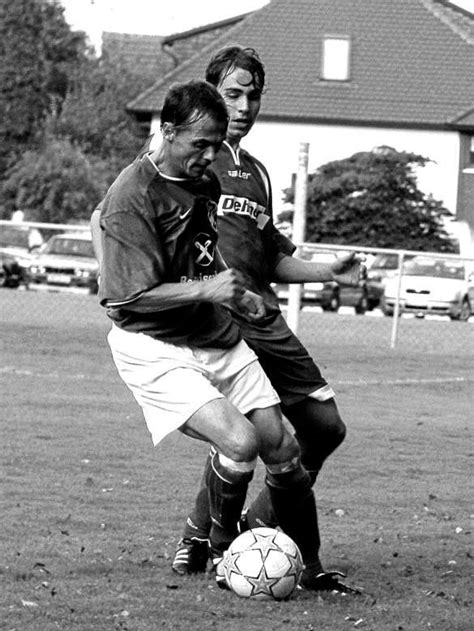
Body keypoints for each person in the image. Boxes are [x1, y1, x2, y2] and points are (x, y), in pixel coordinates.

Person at [95, 79, 322, 586]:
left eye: (216, 144)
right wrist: (209, 291)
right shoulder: (131, 197)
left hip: (213, 334)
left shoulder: (206, 183)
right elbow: (125, 300)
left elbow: (205, 258)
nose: (210, 154)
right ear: (168, 132)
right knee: (240, 442)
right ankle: (225, 555)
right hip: (153, 345)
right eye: (200, 144)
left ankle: (312, 570)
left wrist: (240, 296)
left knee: (283, 448)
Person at [170, 48, 364, 593]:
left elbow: (271, 255)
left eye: (253, 93)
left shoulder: (255, 172)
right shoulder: (188, 162)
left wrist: (329, 272)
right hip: (222, 322)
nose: (245, 104)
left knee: (325, 428)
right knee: (254, 436)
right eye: (233, 93)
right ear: (210, 95)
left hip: (267, 320)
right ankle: (208, 539)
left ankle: (256, 522)